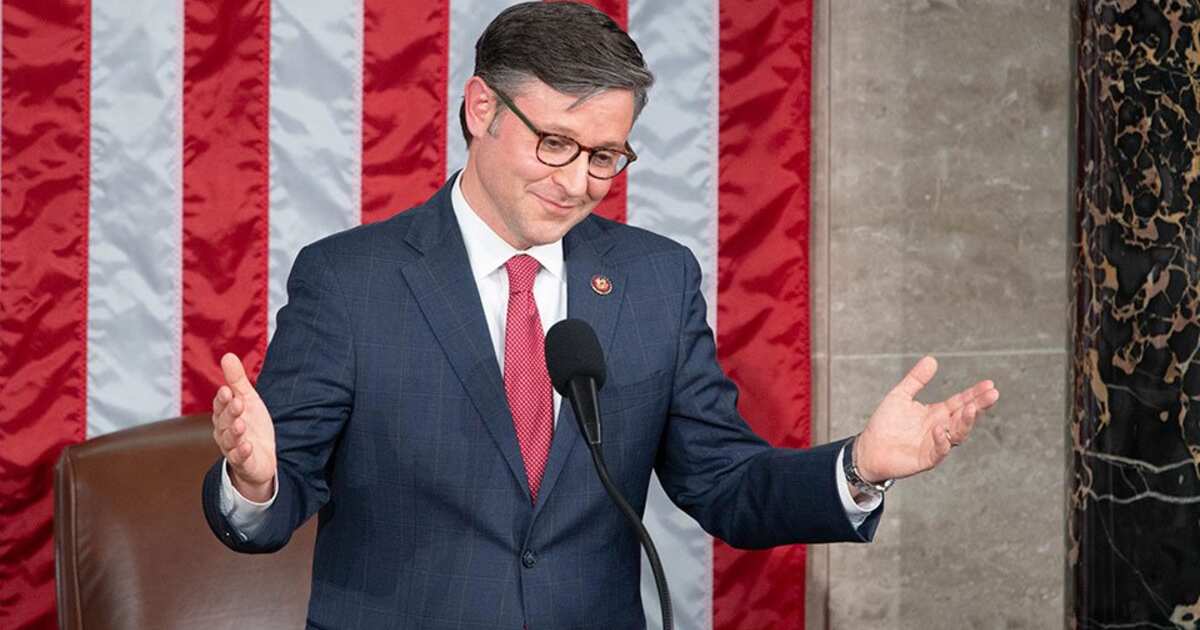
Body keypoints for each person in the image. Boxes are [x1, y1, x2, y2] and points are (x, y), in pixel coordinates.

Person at [201, 3, 1000, 629]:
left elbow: (725, 483)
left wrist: (857, 467)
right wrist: (256, 480)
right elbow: (270, 507)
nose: (578, 181)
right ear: (481, 108)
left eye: (606, 156)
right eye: (555, 143)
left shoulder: (656, 281)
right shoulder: (351, 281)